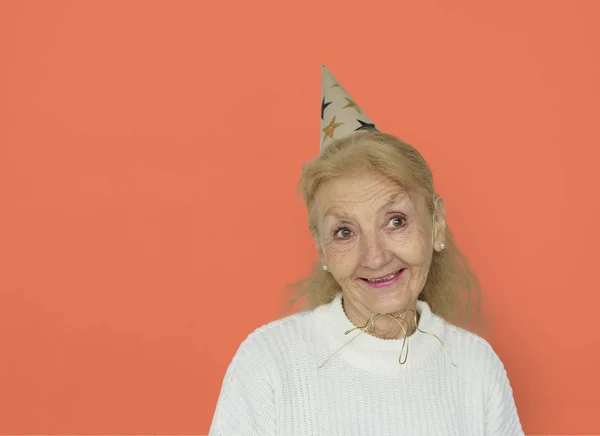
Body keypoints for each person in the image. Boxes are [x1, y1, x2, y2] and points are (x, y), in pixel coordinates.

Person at [208, 65, 525, 436]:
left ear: (436, 222)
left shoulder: (476, 368)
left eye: (396, 221)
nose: (375, 257)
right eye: (344, 231)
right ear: (322, 248)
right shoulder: (269, 362)